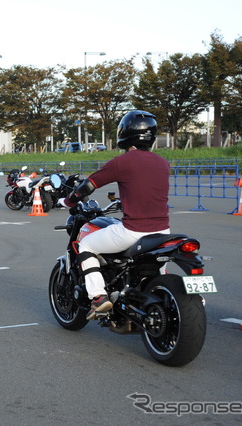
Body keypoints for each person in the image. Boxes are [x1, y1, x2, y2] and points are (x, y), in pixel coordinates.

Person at [61, 110, 170, 320]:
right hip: (163, 232)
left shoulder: (123, 161)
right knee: (157, 269)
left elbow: (88, 185)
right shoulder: (163, 163)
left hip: (133, 231)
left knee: (86, 246)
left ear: (125, 132)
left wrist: (68, 200)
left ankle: (99, 297)